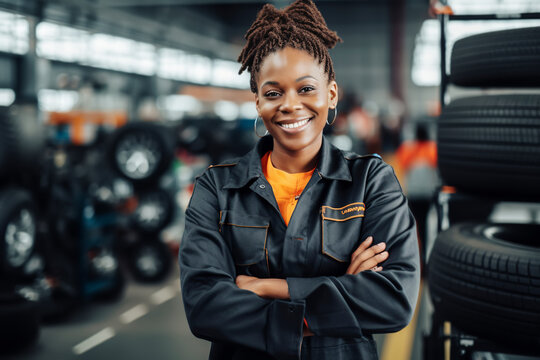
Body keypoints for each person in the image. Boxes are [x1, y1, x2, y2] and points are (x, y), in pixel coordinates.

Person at [179, 1, 420, 359]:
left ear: (331, 94)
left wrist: (266, 287)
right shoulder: (216, 190)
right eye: (273, 93)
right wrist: (342, 291)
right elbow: (206, 307)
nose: (290, 104)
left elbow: (393, 299)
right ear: (258, 102)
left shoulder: (370, 181)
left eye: (306, 89)